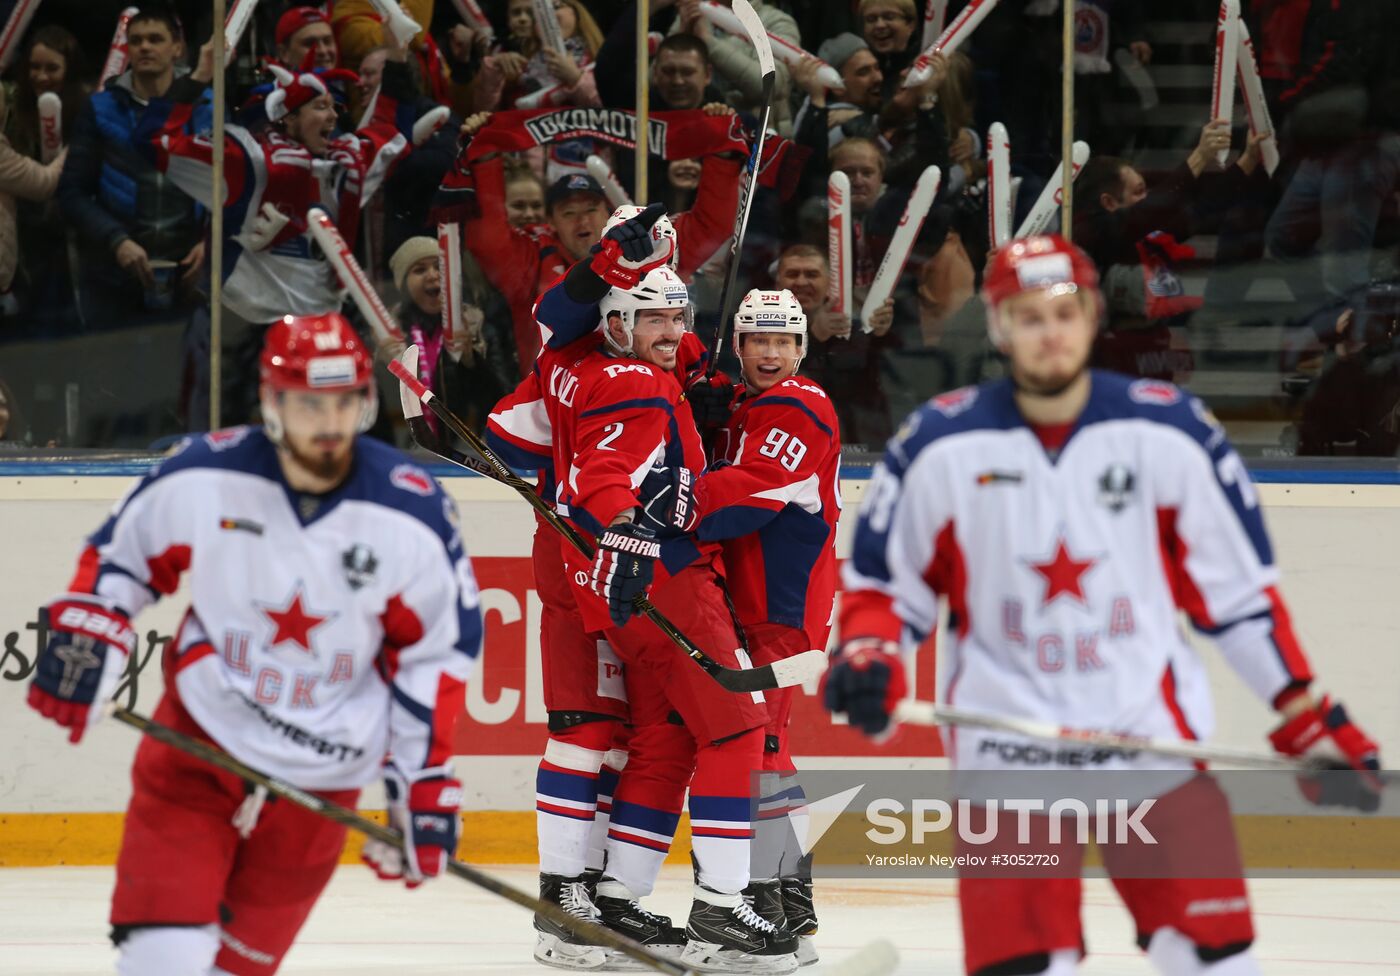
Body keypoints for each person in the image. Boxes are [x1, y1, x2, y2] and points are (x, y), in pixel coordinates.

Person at [823, 234, 1384, 976]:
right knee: (1024, 965)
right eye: (1027, 316)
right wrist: (869, 655)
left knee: (1216, 959)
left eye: (1064, 311)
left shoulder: (1170, 431)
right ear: (997, 327)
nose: (1049, 331)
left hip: (1149, 744)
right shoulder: (938, 444)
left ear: (1092, 316)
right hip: (1008, 757)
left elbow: (1241, 602)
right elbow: (885, 594)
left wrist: (1304, 713)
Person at [25, 311, 483, 976]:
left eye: (344, 404)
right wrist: (92, 626)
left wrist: (421, 780)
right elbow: (120, 560)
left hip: (327, 776)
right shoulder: (208, 473)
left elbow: (433, 655)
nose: (328, 427)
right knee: (164, 962)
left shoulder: (408, 510)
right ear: (271, 404)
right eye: (307, 405)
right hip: (199, 746)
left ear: (366, 402)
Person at [529, 209, 796, 972]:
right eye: (649, 309)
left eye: (676, 309)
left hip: (594, 561)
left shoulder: (621, 361)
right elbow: (602, 476)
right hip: (647, 567)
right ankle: (707, 905)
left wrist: (693, 397)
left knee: (643, 735)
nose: (670, 324)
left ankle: (604, 897)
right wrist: (626, 528)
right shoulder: (617, 370)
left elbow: (517, 431)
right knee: (698, 727)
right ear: (613, 306)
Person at [141, 36, 446, 424]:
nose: (334, 116)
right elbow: (154, 141)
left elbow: (386, 127)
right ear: (286, 116)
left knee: (340, 432)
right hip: (242, 329)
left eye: (334, 107)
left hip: (321, 334)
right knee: (230, 437)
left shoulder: (344, 164)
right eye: (320, 107)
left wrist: (399, 52)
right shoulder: (246, 162)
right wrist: (200, 74)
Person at [686, 287, 843, 967]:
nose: (770, 351)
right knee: (767, 746)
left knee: (764, 745)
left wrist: (672, 494)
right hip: (755, 601)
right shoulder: (747, 402)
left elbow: (746, 495)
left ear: (802, 348)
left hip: (786, 605)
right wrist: (703, 399)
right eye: (756, 339)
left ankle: (771, 904)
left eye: (783, 340)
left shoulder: (800, 406)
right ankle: (789, 900)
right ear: (741, 345)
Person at [57, 5, 208, 330]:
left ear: (177, 48)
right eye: (136, 40)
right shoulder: (100, 109)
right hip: (116, 272)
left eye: (155, 39)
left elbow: (234, 188)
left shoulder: (206, 106)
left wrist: (211, 241)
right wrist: (116, 241)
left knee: (188, 374)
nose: (144, 47)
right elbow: (71, 192)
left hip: (191, 270)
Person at [385, 235, 517, 434]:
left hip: (468, 451)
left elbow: (502, 404)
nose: (432, 275)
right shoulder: (387, 333)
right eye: (420, 270)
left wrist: (471, 363)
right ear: (403, 285)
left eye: (440, 268)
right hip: (408, 451)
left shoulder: (477, 327)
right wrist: (382, 366)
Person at [276, 6, 339, 71]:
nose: (323, 51)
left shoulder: (346, 80)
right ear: (284, 53)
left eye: (327, 41)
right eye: (310, 44)